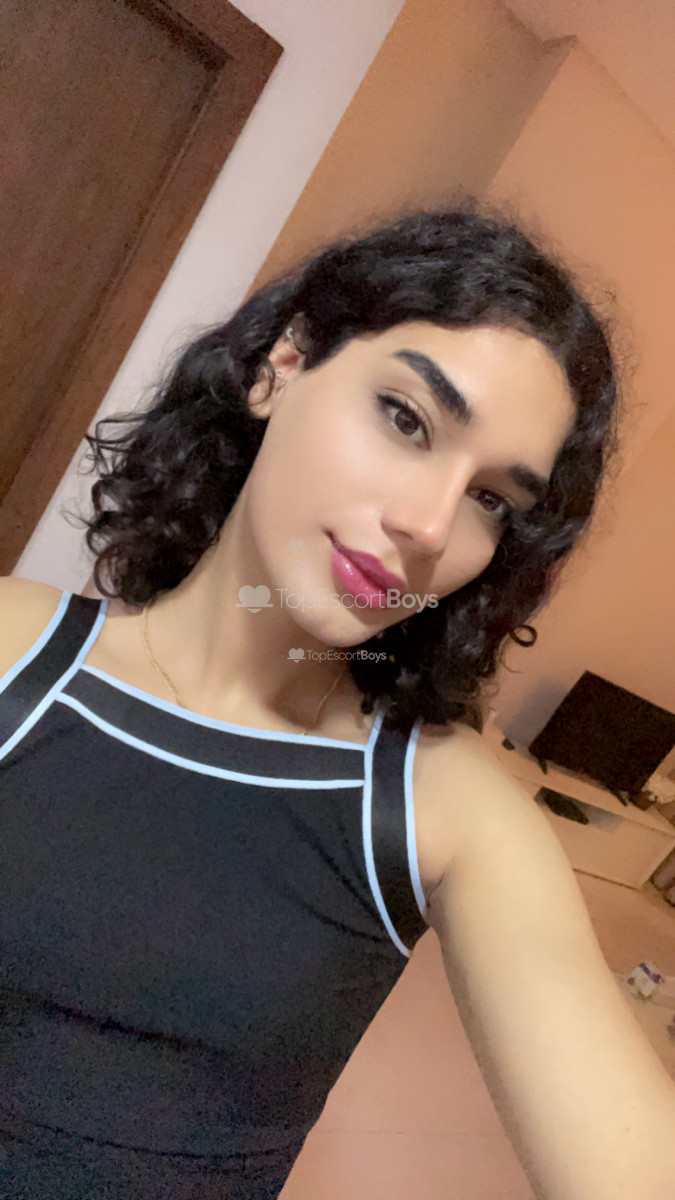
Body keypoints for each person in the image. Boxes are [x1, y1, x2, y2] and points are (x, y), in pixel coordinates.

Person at [0, 203, 673, 1199]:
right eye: (406, 418)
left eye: (491, 499)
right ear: (282, 364)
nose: (428, 525)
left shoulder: (442, 808)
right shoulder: (18, 655)